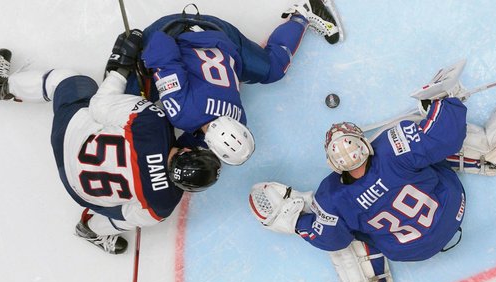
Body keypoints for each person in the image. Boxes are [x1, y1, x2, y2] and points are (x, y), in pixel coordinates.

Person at [247, 93, 496, 282]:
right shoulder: (390, 147)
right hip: (451, 209)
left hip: (410, 250)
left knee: (347, 232)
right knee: (426, 151)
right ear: (365, 145)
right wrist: (444, 101)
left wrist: (298, 223)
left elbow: (330, 239)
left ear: (333, 166)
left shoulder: (331, 198)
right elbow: (445, 136)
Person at [0, 30, 222, 255]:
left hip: (70, 137)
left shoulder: (151, 124)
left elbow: (100, 104)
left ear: (189, 150)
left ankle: (1, 87)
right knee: (122, 216)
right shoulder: (164, 205)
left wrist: (120, 67)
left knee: (71, 81)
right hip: (78, 188)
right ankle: (90, 230)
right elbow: (120, 215)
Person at [125, 0, 342, 165]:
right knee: (131, 105)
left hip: (220, 34)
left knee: (274, 69)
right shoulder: (182, 113)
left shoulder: (240, 119)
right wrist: (141, 61)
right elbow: (161, 44)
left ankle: (301, 15)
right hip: (176, 31)